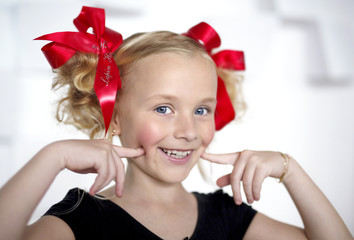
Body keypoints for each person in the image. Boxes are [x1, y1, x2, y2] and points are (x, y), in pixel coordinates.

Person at [0, 6, 352, 240]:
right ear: (115, 114)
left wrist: (290, 169)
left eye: (201, 110)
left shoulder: (228, 216)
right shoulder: (81, 219)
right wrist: (53, 156)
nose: (187, 132)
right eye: (164, 108)